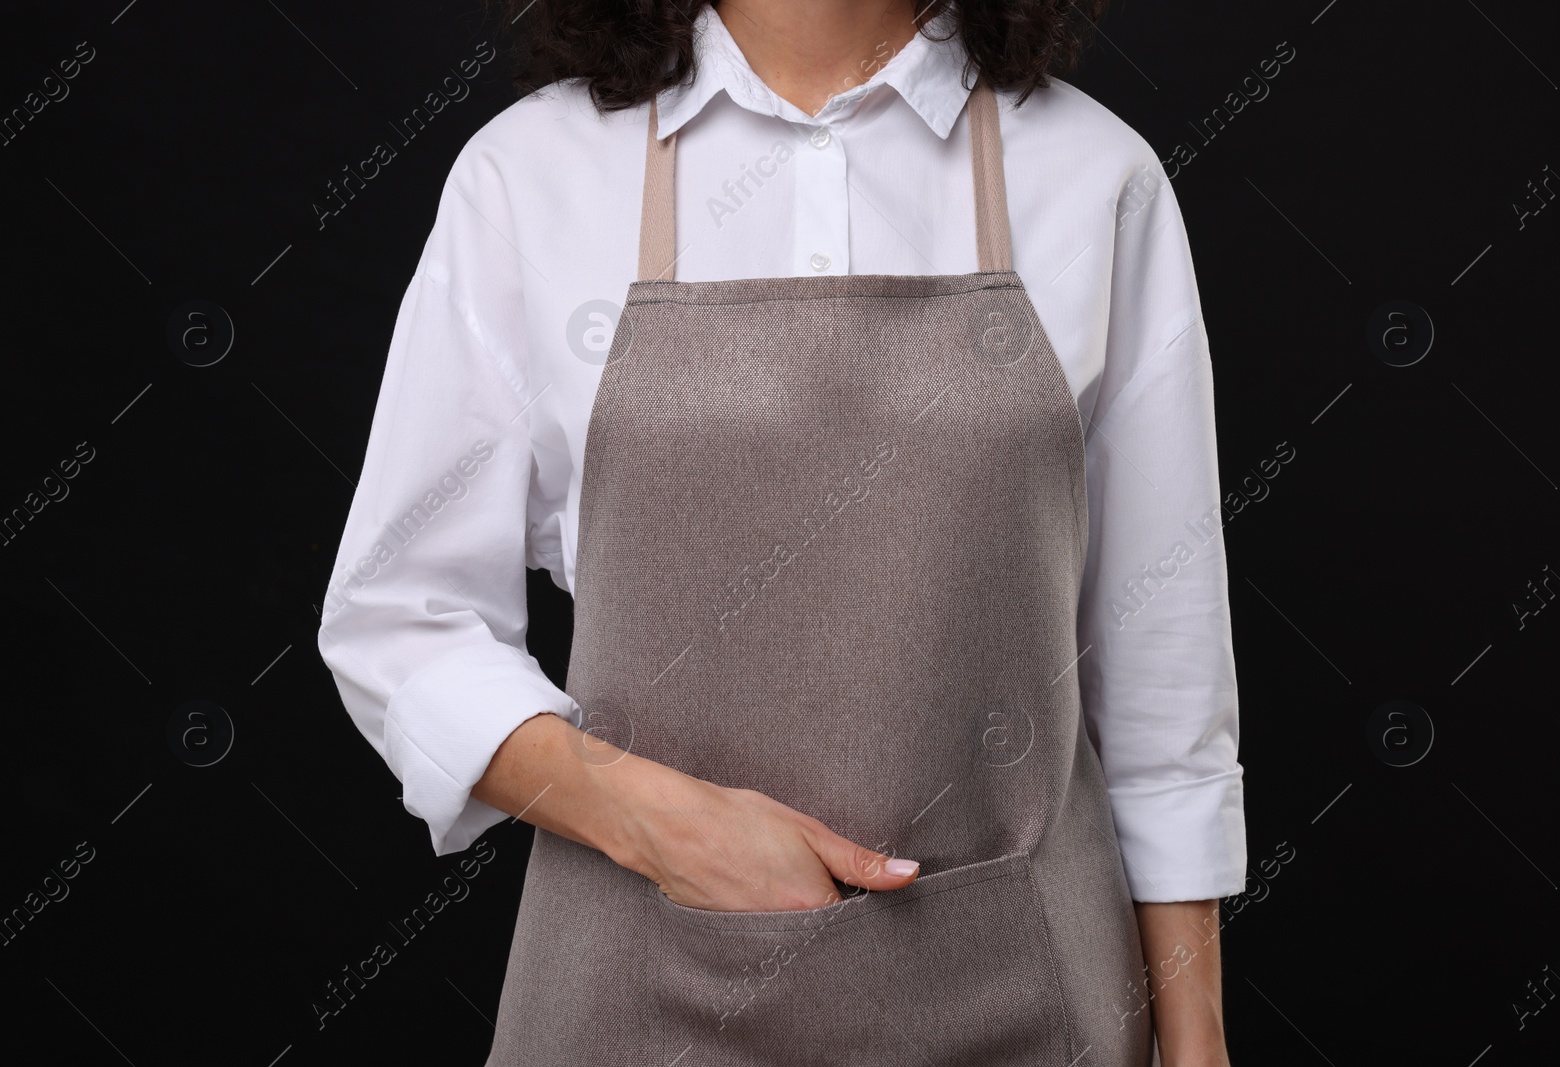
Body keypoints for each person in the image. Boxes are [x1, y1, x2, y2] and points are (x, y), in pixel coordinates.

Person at [317, 1, 1247, 1063]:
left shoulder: (1091, 174)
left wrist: (1197, 1038)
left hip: (1027, 992)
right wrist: (656, 822)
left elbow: (1163, 684)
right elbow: (398, 616)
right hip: (636, 992)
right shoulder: (531, 177)